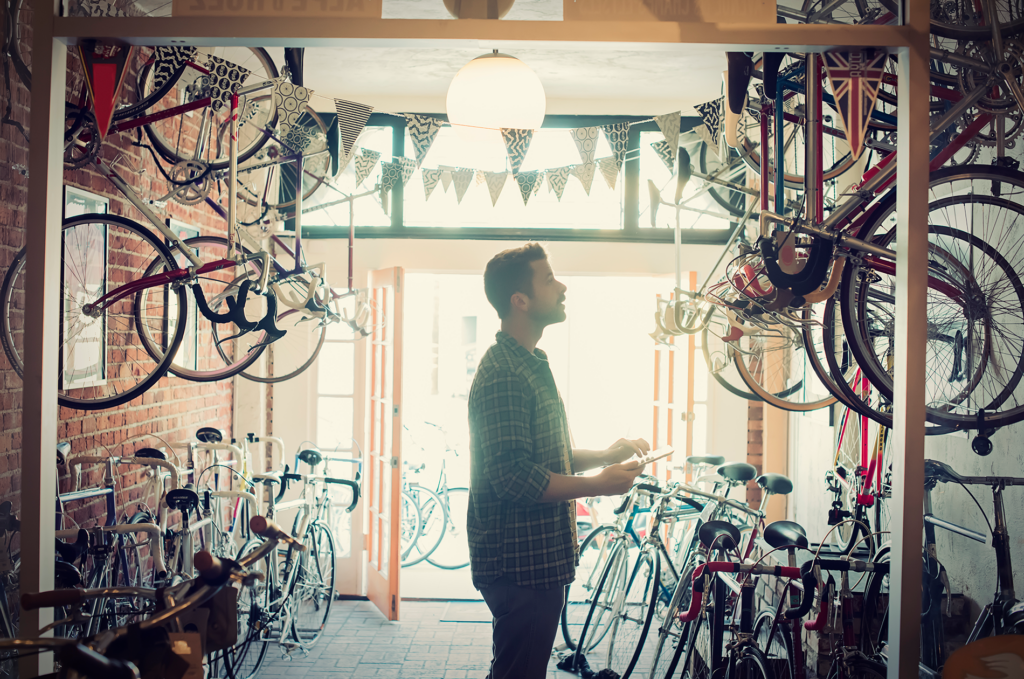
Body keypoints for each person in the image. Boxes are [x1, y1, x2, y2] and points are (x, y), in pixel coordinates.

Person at [467, 242, 650, 679]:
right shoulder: (504, 374)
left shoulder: (529, 361)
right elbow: (513, 477)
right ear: (520, 300)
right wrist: (599, 484)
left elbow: (548, 458)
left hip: (538, 561)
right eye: (548, 279)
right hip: (519, 565)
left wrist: (606, 455)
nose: (562, 286)